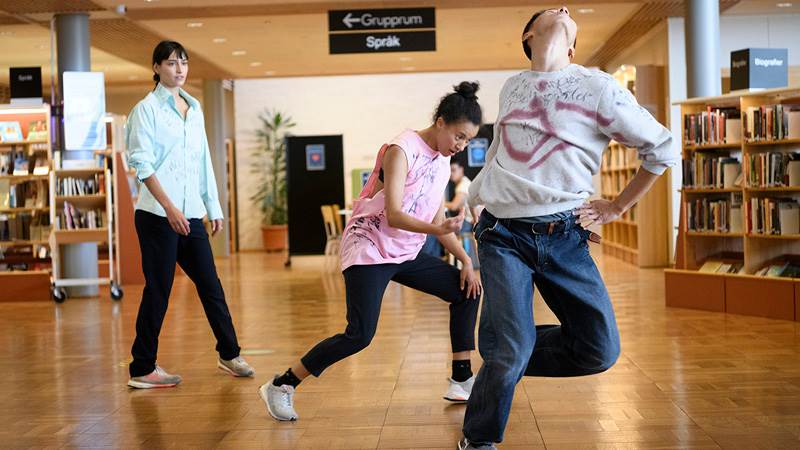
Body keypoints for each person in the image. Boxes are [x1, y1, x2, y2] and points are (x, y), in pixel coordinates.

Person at [457, 7, 679, 449]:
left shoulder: (598, 86)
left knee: (598, 350)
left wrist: (617, 206)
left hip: (564, 236)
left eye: (567, 12)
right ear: (529, 34)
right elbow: (501, 151)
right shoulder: (513, 85)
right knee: (510, 349)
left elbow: (663, 149)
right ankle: (479, 437)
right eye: (549, 11)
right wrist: (471, 199)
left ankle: (503, 351)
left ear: (574, 47)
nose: (562, 7)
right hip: (502, 236)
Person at [259, 82, 485, 421]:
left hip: (404, 251)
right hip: (368, 248)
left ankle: (461, 379)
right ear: (441, 122)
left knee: (467, 290)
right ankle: (282, 384)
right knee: (360, 335)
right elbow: (394, 213)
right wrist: (438, 230)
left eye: (467, 140)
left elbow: (437, 218)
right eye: (459, 136)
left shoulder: (441, 162)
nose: (461, 146)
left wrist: (467, 260)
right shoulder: (401, 149)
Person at [125, 41, 254, 389]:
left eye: (183, 63)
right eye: (170, 63)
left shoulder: (194, 109)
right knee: (159, 290)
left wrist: (212, 207)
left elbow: (202, 162)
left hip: (192, 215)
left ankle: (229, 353)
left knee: (211, 285)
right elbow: (141, 163)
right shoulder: (146, 110)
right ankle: (142, 367)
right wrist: (170, 208)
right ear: (155, 68)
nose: (179, 69)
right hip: (157, 216)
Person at [445, 160, 479, 268]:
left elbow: (454, 206)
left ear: (461, 170)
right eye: (450, 171)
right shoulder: (463, 183)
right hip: (471, 220)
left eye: (453, 170)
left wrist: (440, 203)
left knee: (444, 230)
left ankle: (457, 262)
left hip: (470, 222)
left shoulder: (463, 185)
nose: (451, 173)